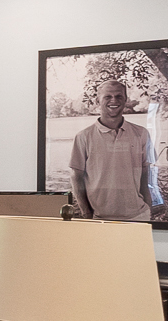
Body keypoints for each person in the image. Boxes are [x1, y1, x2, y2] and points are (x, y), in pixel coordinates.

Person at [66, 76, 161, 221]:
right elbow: (76, 177)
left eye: (119, 96)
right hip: (99, 218)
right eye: (108, 97)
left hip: (139, 216)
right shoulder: (83, 137)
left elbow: (145, 174)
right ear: (98, 101)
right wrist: (87, 214)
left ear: (125, 99)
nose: (114, 100)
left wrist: (147, 208)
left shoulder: (141, 134)